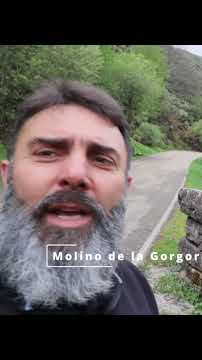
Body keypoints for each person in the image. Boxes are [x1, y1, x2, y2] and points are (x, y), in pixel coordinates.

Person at [0, 79, 159, 315]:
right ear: (8, 175)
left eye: (102, 160)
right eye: (47, 153)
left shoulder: (137, 287)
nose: (75, 175)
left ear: (125, 188)